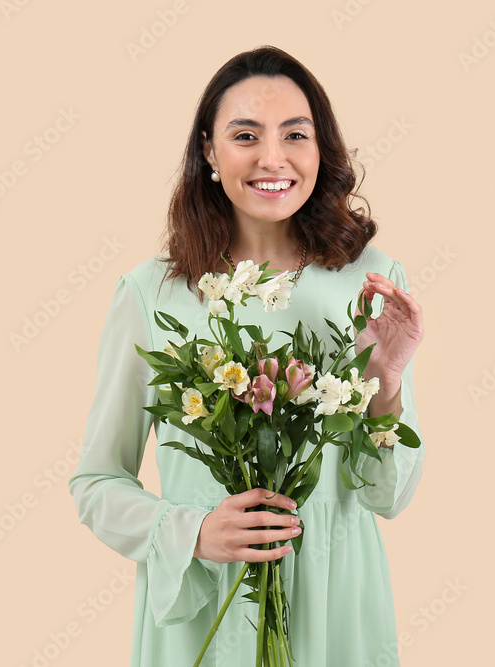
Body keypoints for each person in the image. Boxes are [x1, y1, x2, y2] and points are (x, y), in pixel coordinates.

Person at [69, 45, 426, 666]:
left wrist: (386, 385)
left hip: (337, 600)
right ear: (209, 151)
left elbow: (386, 497)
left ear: (321, 149)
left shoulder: (369, 280)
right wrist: (193, 531)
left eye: (295, 134)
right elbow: (97, 483)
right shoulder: (152, 293)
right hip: (209, 603)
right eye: (245, 135)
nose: (272, 158)